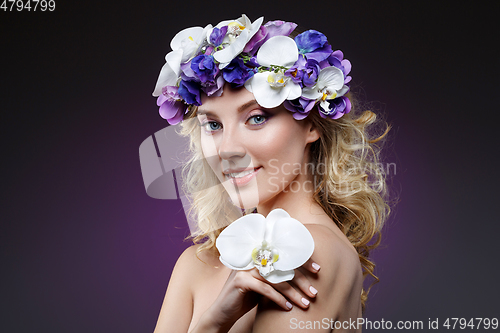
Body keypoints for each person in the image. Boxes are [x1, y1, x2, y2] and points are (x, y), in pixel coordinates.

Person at [150, 14, 390, 332]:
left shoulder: (309, 250)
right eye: (212, 124)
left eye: (257, 118)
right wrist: (213, 322)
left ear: (313, 125)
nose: (226, 149)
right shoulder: (196, 264)